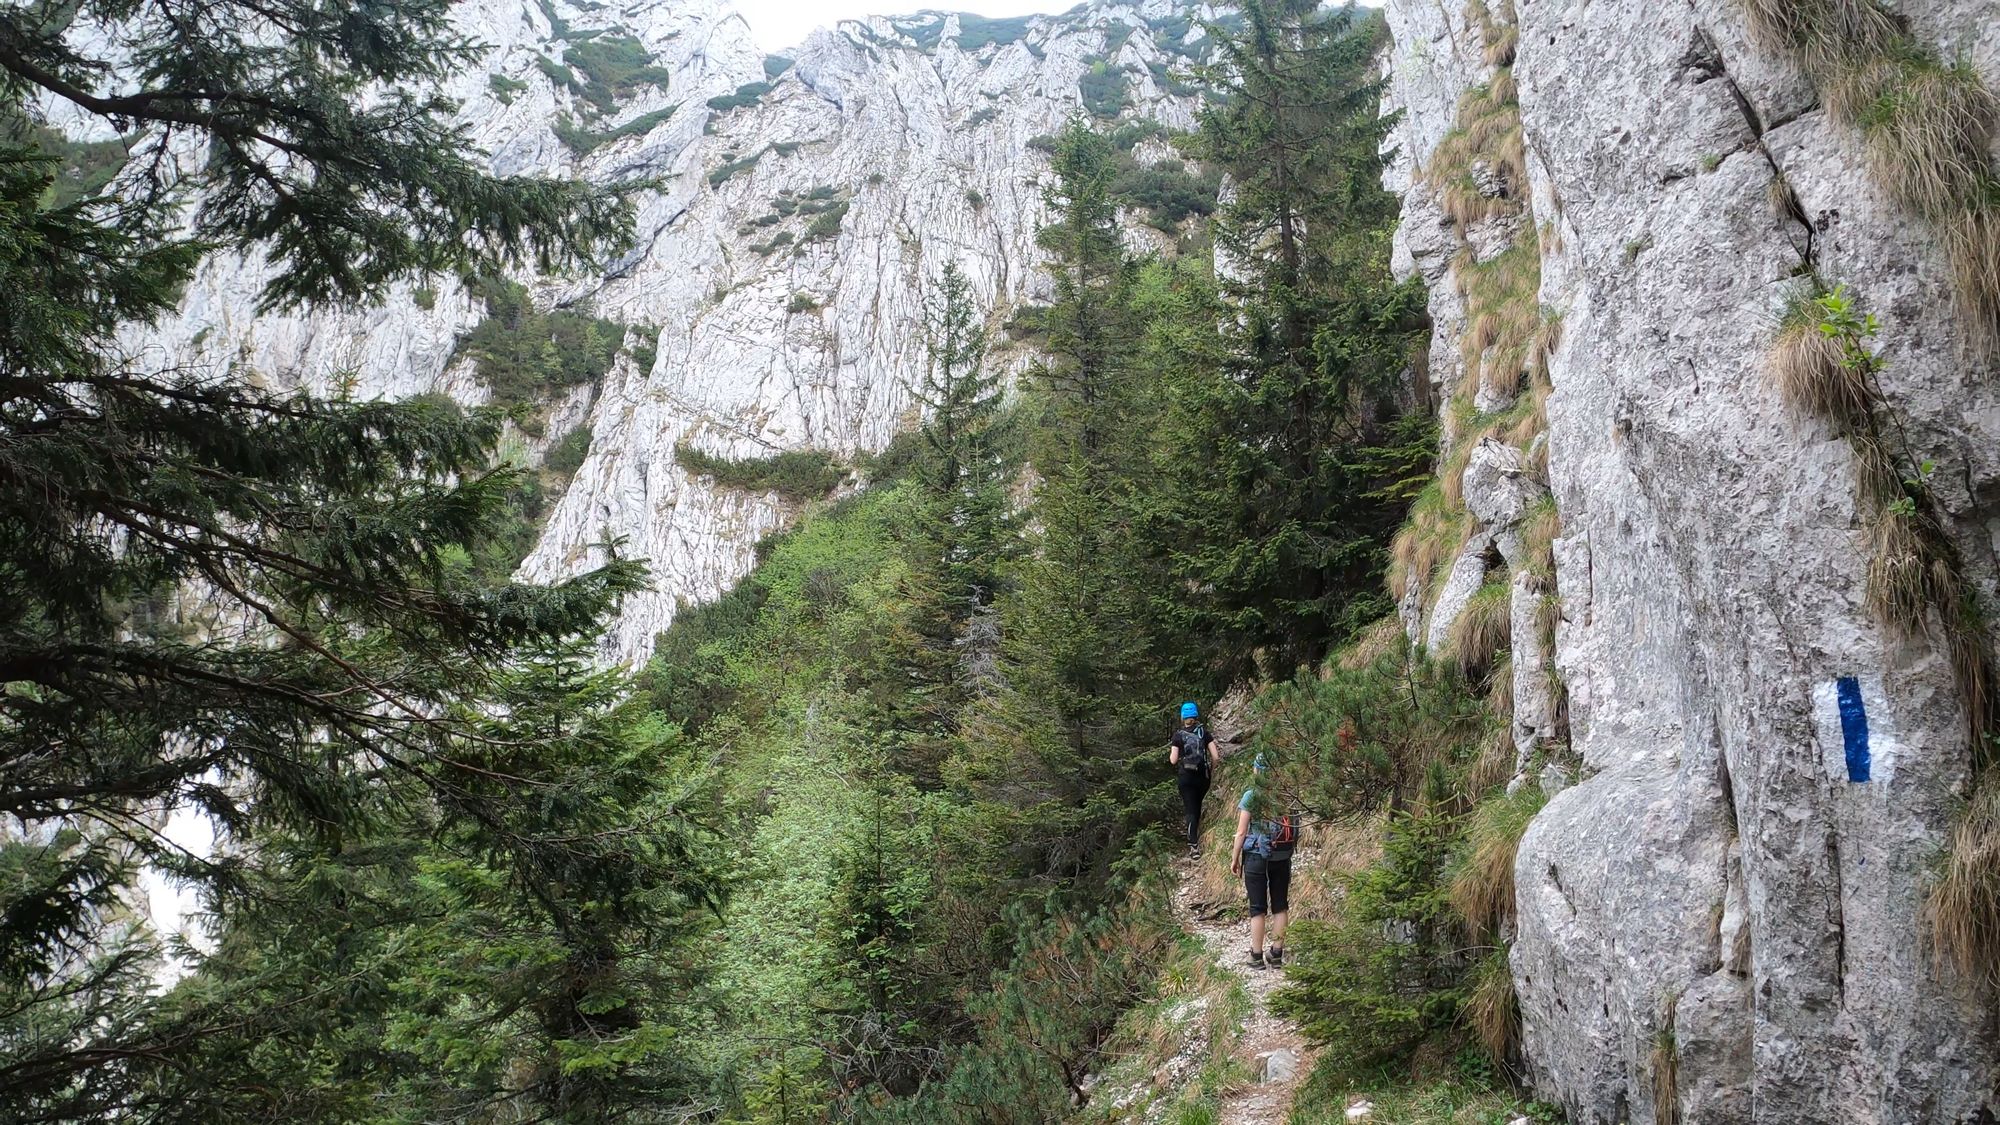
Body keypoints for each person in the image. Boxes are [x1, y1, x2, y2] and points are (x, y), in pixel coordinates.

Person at [1230, 755, 1294, 970]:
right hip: (1282, 856)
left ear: (1257, 770)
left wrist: (1235, 858)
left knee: (1257, 908)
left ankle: (1256, 956)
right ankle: (1276, 954)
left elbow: (1241, 832)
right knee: (1280, 905)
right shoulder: (1287, 794)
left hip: (1257, 856)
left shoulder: (1251, 795)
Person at [1168, 701, 1219, 858]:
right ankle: (1196, 829)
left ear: (1183, 717)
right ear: (1195, 715)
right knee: (1196, 804)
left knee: (1190, 808)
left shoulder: (1178, 735)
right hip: (1202, 777)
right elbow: (1215, 756)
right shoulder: (1204, 732)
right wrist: (1211, 770)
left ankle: (1193, 846)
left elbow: (1173, 760)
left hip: (1186, 777)